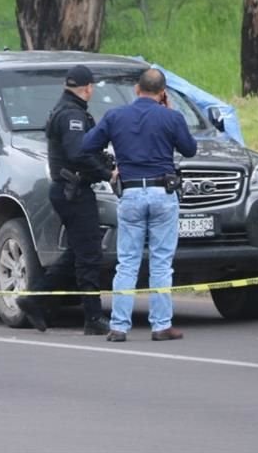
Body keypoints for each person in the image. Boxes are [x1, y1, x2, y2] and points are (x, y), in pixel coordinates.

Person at [81, 68, 197, 343]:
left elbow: (87, 145)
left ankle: (119, 326)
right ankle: (161, 325)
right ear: (163, 92)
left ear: (136, 89)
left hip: (131, 192)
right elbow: (190, 149)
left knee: (127, 262)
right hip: (162, 193)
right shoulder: (171, 116)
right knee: (161, 262)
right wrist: (168, 112)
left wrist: (110, 167)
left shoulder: (115, 116)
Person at [16, 65, 114, 336]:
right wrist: (106, 172)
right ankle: (93, 317)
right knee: (89, 255)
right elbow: (78, 153)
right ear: (88, 88)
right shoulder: (72, 114)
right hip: (75, 191)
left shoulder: (65, 109)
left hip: (69, 190)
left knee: (78, 252)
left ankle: (34, 299)